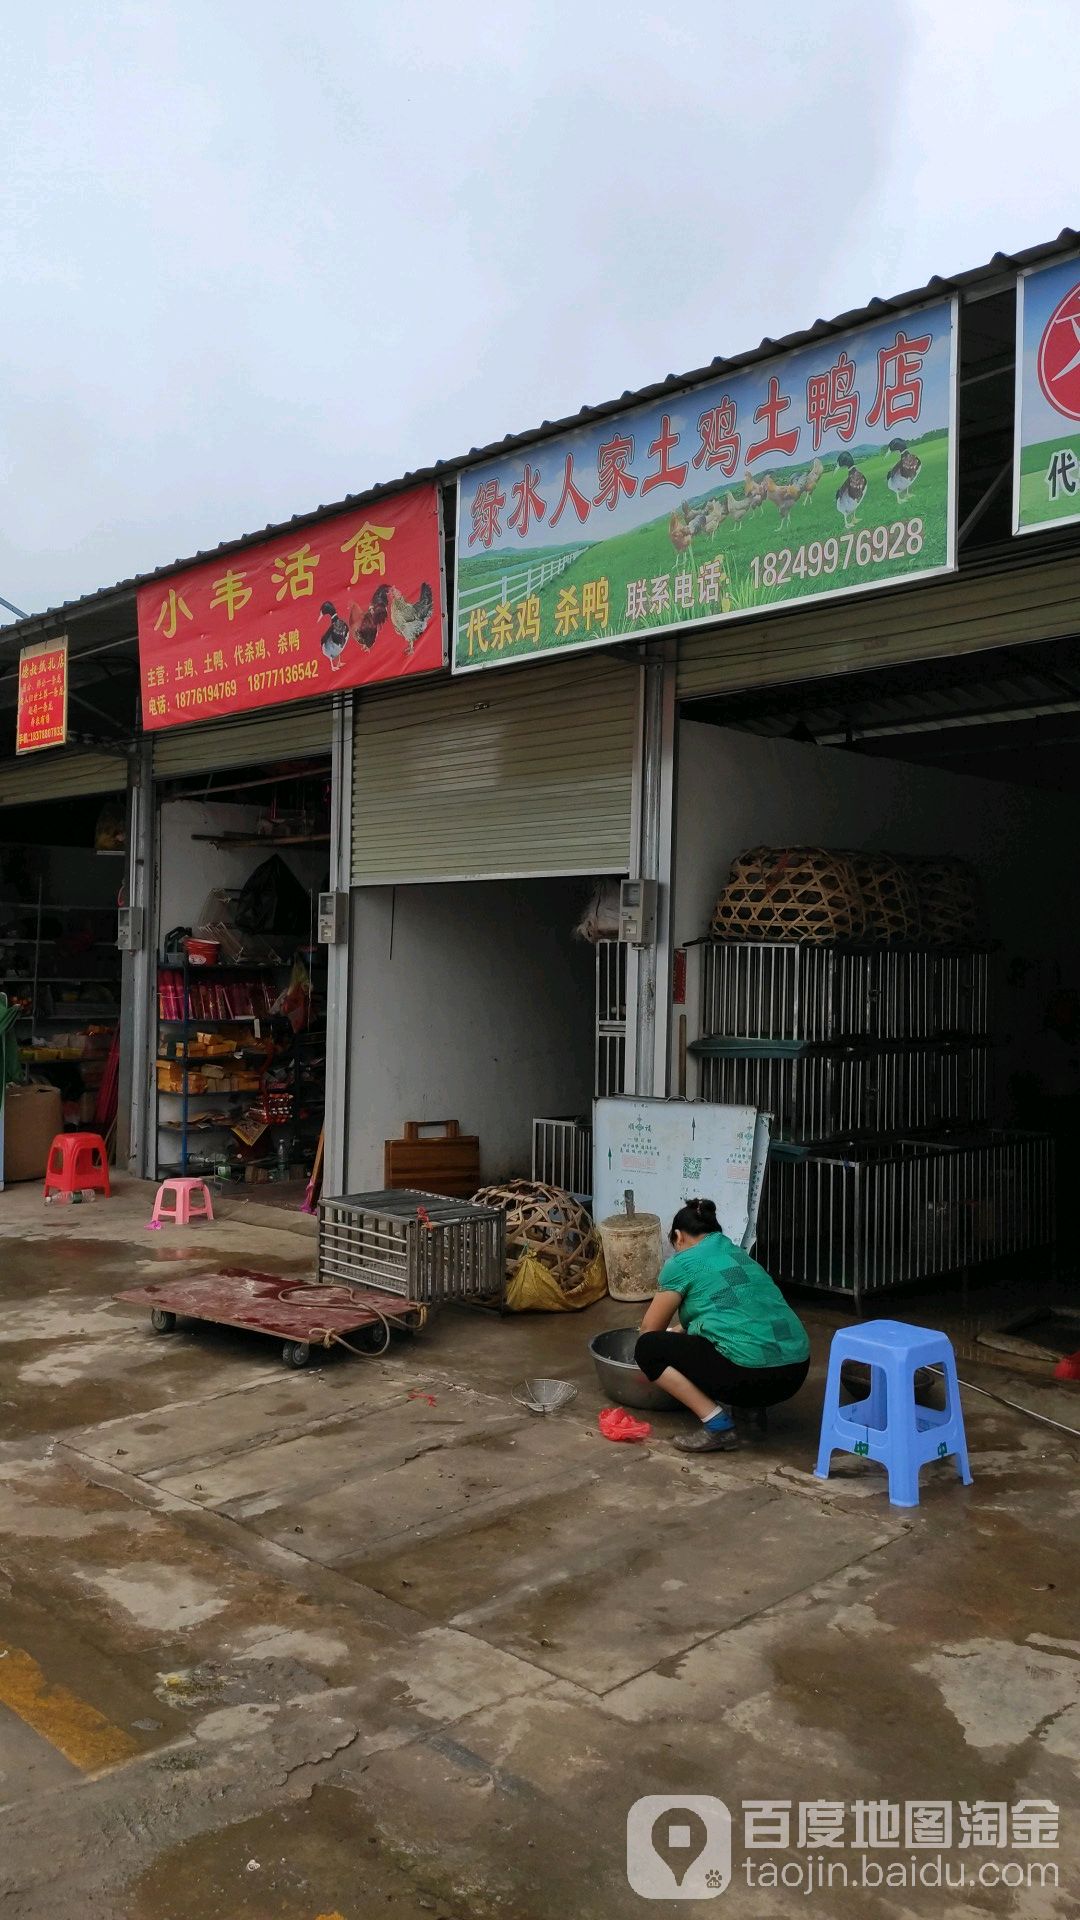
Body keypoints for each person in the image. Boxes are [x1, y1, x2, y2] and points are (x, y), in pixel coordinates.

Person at [635, 1197, 810, 1453]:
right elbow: (730, 1309)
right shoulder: (738, 1256)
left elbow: (650, 1328)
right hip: (795, 1372)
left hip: (750, 1376)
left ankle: (718, 1426)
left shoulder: (682, 1263)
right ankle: (751, 1411)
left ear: (678, 1237)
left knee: (647, 1348)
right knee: (741, 1336)